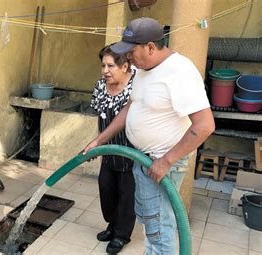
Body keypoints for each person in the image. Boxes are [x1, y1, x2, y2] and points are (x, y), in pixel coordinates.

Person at [83, 17, 215, 254]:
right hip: (142, 158)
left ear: (151, 47)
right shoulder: (144, 70)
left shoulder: (179, 71)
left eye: (131, 52)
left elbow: (204, 125)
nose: (129, 58)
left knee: (159, 227)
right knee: (150, 222)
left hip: (160, 162)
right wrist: (100, 140)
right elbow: (130, 108)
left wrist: (166, 161)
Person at [89, 45, 136, 253]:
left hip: (131, 153)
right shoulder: (101, 86)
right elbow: (99, 116)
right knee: (107, 189)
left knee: (127, 196)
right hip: (108, 151)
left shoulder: (136, 86)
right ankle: (112, 225)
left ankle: (122, 235)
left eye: (110, 66)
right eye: (103, 66)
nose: (105, 70)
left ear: (125, 66)